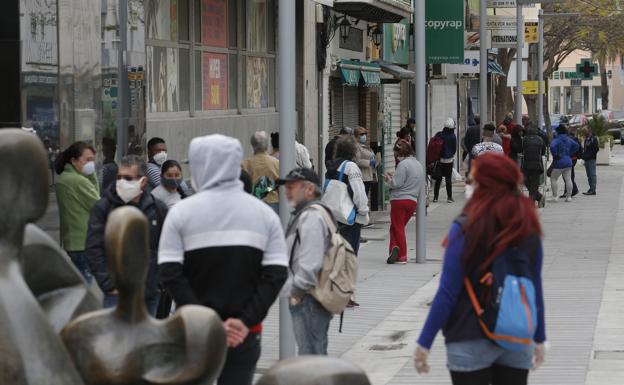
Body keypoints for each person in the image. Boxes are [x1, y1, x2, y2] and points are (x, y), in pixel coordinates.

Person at [158, 134, 288, 385]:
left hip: (195, 332)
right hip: (245, 332)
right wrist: (244, 321)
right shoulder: (263, 214)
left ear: (200, 166)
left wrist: (208, 322)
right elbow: (276, 275)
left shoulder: (182, 213)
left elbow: (170, 274)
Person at [414, 152, 546, 385]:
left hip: (468, 334)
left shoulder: (465, 228)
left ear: (485, 184)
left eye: (472, 180)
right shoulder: (528, 229)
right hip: (515, 336)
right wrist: (539, 338)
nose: (468, 184)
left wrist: (424, 342)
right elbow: (534, 288)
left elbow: (448, 291)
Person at [86, 155, 167, 315]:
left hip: (149, 292)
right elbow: (94, 248)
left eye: (128, 178)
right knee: (116, 339)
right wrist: (108, 284)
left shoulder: (157, 208)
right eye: (119, 177)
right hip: (116, 294)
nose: (121, 182)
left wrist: (159, 283)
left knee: (147, 340)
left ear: (143, 181)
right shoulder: (103, 208)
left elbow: (167, 247)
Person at [278, 167, 332, 355]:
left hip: (309, 298)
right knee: (312, 354)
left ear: (309, 190)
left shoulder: (311, 217)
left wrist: (295, 292)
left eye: (292, 187)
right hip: (308, 297)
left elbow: (310, 262)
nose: (287, 191)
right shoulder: (306, 214)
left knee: (311, 357)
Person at [55, 141, 100, 283]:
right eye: (87, 160)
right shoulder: (78, 181)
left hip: (73, 241)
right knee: (85, 283)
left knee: (80, 281)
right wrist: (92, 176)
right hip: (83, 241)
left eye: (93, 160)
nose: (91, 164)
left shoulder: (64, 178)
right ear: (73, 160)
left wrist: (90, 174)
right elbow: (98, 205)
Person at [325, 136, 369, 256]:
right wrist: (363, 210)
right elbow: (358, 192)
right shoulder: (351, 167)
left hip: (333, 214)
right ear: (353, 151)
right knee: (350, 252)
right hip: (349, 216)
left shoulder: (332, 167)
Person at [385, 141, 424, 265]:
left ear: (399, 152)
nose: (395, 156)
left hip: (399, 200)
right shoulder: (418, 164)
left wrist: (389, 179)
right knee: (396, 227)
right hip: (412, 201)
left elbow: (396, 183)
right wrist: (395, 176)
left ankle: (402, 255)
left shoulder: (403, 164)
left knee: (398, 228)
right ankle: (393, 249)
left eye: (395, 153)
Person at [242, 131, 280, 213]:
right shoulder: (276, 163)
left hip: (253, 204)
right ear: (267, 145)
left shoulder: (245, 164)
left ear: (252, 145)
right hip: (273, 204)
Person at [549, 124, 580, 202]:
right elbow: (576, 146)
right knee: (568, 179)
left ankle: (555, 197)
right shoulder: (568, 139)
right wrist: (570, 153)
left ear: (558, 131)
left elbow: (552, 146)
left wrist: (555, 154)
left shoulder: (557, 139)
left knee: (553, 178)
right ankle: (569, 197)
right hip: (568, 161)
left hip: (559, 162)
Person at [433, 118, 457, 203]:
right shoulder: (453, 137)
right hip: (449, 160)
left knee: (438, 179)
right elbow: (454, 149)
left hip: (439, 160)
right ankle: (449, 197)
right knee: (448, 179)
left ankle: (435, 197)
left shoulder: (439, 135)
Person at [521, 125, 547, 208]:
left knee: (526, 182)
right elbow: (543, 152)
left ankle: (532, 202)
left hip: (526, 165)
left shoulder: (524, 139)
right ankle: (538, 198)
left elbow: (522, 150)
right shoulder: (540, 139)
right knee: (534, 184)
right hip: (537, 165)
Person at [354, 126, 377, 198]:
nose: (364, 136)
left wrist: (376, 161)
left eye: (365, 134)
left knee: (365, 196)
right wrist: (369, 162)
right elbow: (357, 160)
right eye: (361, 134)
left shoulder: (365, 146)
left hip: (368, 175)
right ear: (356, 136)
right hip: (362, 176)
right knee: (362, 197)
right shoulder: (356, 146)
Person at [561, 127, 582, 198]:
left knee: (567, 176)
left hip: (568, 159)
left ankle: (573, 190)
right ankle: (568, 191)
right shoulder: (575, 139)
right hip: (573, 159)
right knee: (568, 175)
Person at [582, 127, 599, 196]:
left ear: (589, 131)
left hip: (591, 159)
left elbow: (596, 149)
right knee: (589, 175)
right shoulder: (586, 139)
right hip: (586, 160)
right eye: (584, 132)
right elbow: (586, 149)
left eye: (585, 132)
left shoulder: (593, 139)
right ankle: (591, 188)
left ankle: (593, 190)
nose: (584, 133)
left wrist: (589, 156)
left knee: (592, 174)